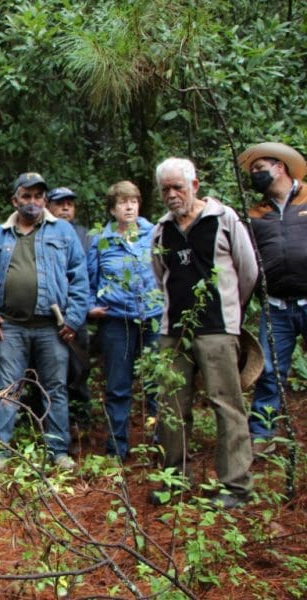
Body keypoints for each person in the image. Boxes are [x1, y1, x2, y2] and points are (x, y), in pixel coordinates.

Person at [150, 157, 258, 508]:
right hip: (174, 331)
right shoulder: (161, 229)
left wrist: (229, 312)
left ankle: (235, 486)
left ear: (194, 186)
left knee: (226, 404)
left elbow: (248, 272)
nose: (171, 195)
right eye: (165, 189)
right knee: (171, 407)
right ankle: (175, 480)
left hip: (217, 329)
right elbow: (160, 276)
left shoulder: (224, 219)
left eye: (177, 187)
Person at [0, 173, 89, 472]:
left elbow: (79, 278)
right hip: (10, 326)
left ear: (44, 200)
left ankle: (58, 452)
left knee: (55, 388)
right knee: (7, 388)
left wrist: (73, 319)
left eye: (38, 196)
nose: (33, 202)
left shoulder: (62, 231)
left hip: (52, 327)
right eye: (26, 196)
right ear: (15, 200)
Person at [238, 142, 307, 453]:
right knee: (268, 371)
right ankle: (262, 435)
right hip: (276, 306)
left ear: (280, 167)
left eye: (259, 168)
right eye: (252, 170)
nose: (255, 174)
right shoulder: (256, 213)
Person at [87, 181, 163, 459]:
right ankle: (116, 450)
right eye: (122, 202)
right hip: (116, 321)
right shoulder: (101, 240)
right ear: (112, 209)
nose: (129, 207)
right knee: (117, 386)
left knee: (157, 384)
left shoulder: (155, 233)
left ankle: (161, 446)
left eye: (133, 201)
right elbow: (89, 279)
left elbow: (167, 271)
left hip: (153, 318)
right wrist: (90, 308)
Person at [43, 186, 92, 429]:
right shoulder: (41, 231)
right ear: (48, 206)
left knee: (78, 366)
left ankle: (80, 420)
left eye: (69, 204)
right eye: (60, 204)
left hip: (76, 313)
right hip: (45, 315)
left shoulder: (86, 236)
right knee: (47, 371)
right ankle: (43, 418)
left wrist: (83, 309)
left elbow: (90, 274)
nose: (65, 208)